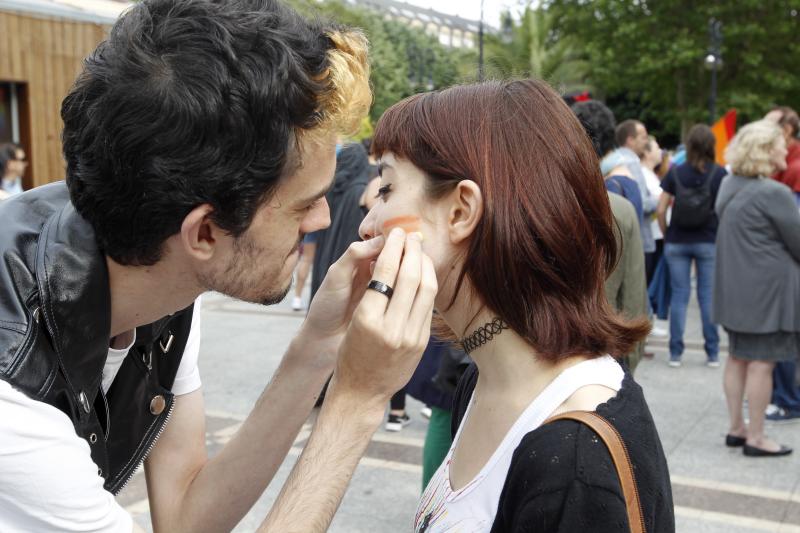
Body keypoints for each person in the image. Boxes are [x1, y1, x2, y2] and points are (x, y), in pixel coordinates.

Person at [0, 1, 438, 531]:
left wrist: (320, 345)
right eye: (306, 203)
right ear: (204, 232)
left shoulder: (160, 273)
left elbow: (187, 516)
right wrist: (356, 403)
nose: (325, 220)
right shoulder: (13, 405)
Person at [360, 80, 674, 532]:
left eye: (387, 189)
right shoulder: (481, 379)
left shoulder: (575, 461)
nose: (368, 222)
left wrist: (356, 397)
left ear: (461, 210)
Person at [714, 119, 800, 457]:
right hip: (769, 294)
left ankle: (737, 428)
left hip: (735, 289)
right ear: (765, 151)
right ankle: (758, 437)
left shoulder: (728, 185)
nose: (786, 149)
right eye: (780, 144)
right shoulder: (774, 193)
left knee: (737, 358)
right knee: (763, 363)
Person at [571, 100, 649, 372]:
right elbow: (633, 292)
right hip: (606, 348)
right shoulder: (620, 209)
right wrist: (631, 356)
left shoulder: (540, 205)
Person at [656, 124, 727, 368]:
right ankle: (713, 353)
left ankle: (675, 353)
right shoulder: (719, 174)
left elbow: (661, 208)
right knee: (707, 296)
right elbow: (724, 209)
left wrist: (667, 234)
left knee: (679, 295)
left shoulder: (675, 173)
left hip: (677, 240)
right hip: (708, 240)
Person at [613, 119, 658, 255]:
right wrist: (659, 200)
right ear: (630, 140)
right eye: (643, 137)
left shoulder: (615, 160)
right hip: (640, 239)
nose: (646, 141)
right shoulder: (631, 162)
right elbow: (641, 203)